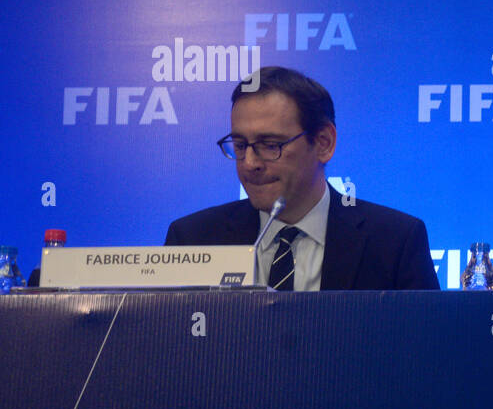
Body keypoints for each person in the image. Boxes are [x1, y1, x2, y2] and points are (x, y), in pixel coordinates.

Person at [166, 67, 439, 290]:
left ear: (323, 143)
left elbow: (426, 352)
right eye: (239, 145)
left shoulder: (394, 242)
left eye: (270, 145)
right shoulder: (192, 239)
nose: (249, 164)